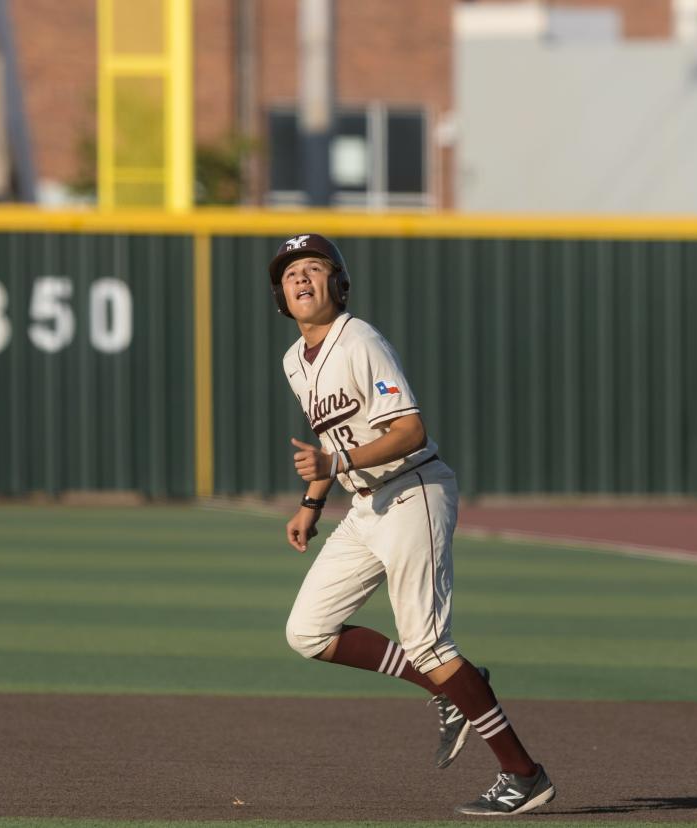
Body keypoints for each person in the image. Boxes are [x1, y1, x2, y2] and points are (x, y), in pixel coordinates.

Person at [271, 233, 555, 816]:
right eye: (291, 272)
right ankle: (452, 688)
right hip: (363, 506)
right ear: (280, 294)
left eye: (315, 268)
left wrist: (337, 465)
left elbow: (409, 432)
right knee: (307, 632)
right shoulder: (294, 361)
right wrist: (311, 500)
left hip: (413, 490)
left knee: (427, 642)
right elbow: (334, 441)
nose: (301, 278)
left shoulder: (360, 339)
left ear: (338, 284)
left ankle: (523, 775)